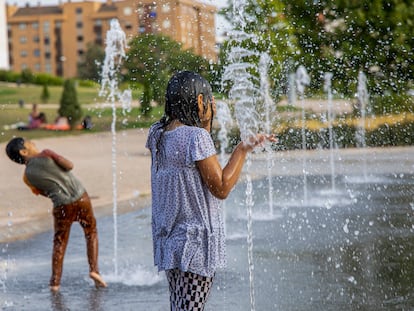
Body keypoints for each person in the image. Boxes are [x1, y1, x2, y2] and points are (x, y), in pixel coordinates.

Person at [145, 71, 275, 310]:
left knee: (179, 306)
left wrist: (205, 120)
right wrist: (242, 150)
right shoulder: (196, 138)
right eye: (210, 100)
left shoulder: (157, 134)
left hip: (170, 241)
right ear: (199, 102)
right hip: (195, 244)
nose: (214, 105)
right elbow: (222, 187)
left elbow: (189, 150)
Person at [5, 137, 107, 292]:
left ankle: (55, 283)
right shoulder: (46, 153)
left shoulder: (27, 177)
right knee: (90, 231)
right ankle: (94, 270)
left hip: (61, 206)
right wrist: (53, 156)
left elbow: (45, 193)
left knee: (59, 242)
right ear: (24, 151)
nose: (33, 142)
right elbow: (69, 165)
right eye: (29, 142)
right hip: (81, 197)